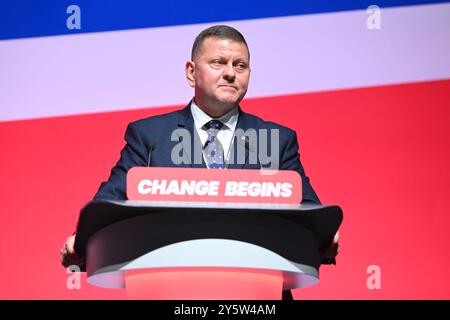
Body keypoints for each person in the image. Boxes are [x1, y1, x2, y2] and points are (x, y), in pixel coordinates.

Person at [60, 25, 339, 299]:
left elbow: (309, 211)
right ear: (191, 72)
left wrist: (324, 237)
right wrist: (81, 240)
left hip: (257, 292)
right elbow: (108, 203)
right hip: (169, 290)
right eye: (218, 62)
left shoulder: (276, 139)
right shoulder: (149, 136)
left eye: (240, 65)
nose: (230, 73)